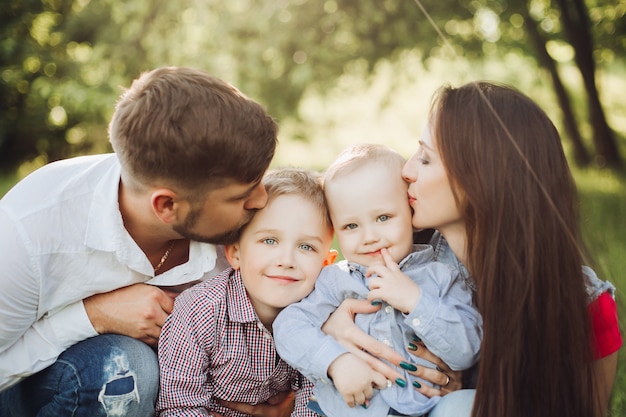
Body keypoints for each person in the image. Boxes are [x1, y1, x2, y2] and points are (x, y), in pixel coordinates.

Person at [319, 82, 622, 417]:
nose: (406, 171)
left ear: (479, 180)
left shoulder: (581, 305)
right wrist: (332, 328)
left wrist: (469, 387)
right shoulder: (399, 257)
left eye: (426, 159)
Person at [0, 66, 280, 417]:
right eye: (241, 195)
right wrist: (93, 316)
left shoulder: (244, 217)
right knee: (124, 368)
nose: (261, 200)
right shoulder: (28, 233)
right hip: (32, 384)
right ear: (167, 205)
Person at [273, 144, 482, 417]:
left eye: (383, 218)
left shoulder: (440, 277)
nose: (368, 236)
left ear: (412, 216)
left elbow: (467, 351)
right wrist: (335, 361)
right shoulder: (336, 281)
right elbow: (289, 327)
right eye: (351, 226)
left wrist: (415, 300)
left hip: (427, 408)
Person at [156, 168, 337, 417]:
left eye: (306, 246)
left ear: (325, 263)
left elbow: (315, 402)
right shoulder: (201, 310)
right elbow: (178, 406)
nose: (286, 260)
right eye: (269, 241)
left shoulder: (324, 316)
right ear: (235, 253)